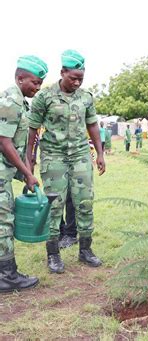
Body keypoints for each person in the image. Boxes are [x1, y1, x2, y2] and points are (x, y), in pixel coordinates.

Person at [27, 49, 105, 274]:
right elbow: (33, 129)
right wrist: (30, 158)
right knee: (54, 205)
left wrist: (99, 154)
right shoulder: (45, 96)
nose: (77, 82)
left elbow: (92, 125)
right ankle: (53, 255)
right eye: (73, 78)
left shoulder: (86, 97)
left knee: (85, 202)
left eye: (81, 78)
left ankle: (85, 250)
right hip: (53, 155)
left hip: (80, 154)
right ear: (62, 73)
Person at [0, 55, 47, 292]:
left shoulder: (19, 100)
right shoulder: (11, 101)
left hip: (4, 172)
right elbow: (4, 142)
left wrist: (27, 170)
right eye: (35, 83)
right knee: (4, 221)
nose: (37, 88)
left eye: (40, 84)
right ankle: (7, 277)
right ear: (20, 78)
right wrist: (27, 174)